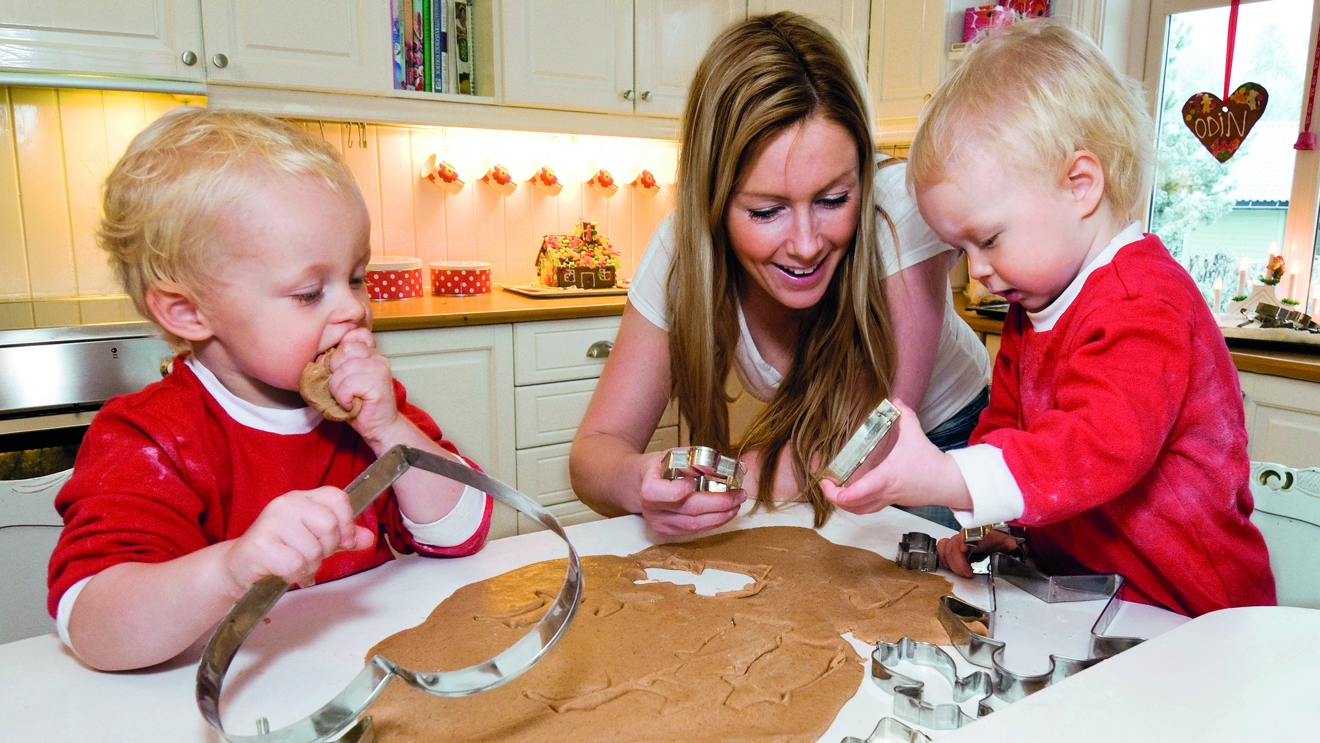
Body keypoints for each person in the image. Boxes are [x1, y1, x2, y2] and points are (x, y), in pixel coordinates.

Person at [823, 20, 1276, 616]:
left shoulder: (1143, 301)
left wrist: (942, 478)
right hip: (1091, 597)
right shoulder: (1033, 303)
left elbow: (1091, 451)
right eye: (962, 250)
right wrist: (987, 519)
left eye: (987, 239)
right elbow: (1006, 427)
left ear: (1079, 186)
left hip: (1194, 612)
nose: (976, 270)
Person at [47, 109, 493, 671]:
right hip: (234, 692)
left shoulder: (366, 407)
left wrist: (388, 430)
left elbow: (462, 533)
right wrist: (230, 569)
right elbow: (95, 631)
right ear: (188, 311)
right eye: (310, 292)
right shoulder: (148, 439)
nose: (354, 308)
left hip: (373, 672)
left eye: (357, 277)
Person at [570, 12, 990, 536]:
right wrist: (641, 480)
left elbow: (870, 436)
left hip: (949, 444)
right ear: (714, 203)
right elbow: (593, 454)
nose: (808, 245)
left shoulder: (897, 211)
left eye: (834, 199)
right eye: (767, 212)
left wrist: (725, 482)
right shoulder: (682, 250)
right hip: (812, 468)